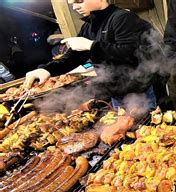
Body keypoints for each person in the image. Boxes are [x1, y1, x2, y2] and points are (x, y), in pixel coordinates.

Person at [23, 0, 165, 110]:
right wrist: (46, 70)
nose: (74, 7)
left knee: (143, 135)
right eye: (71, 3)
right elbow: (73, 57)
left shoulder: (123, 18)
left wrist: (90, 46)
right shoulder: (89, 26)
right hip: (115, 92)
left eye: (79, 1)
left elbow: (130, 53)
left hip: (139, 93)